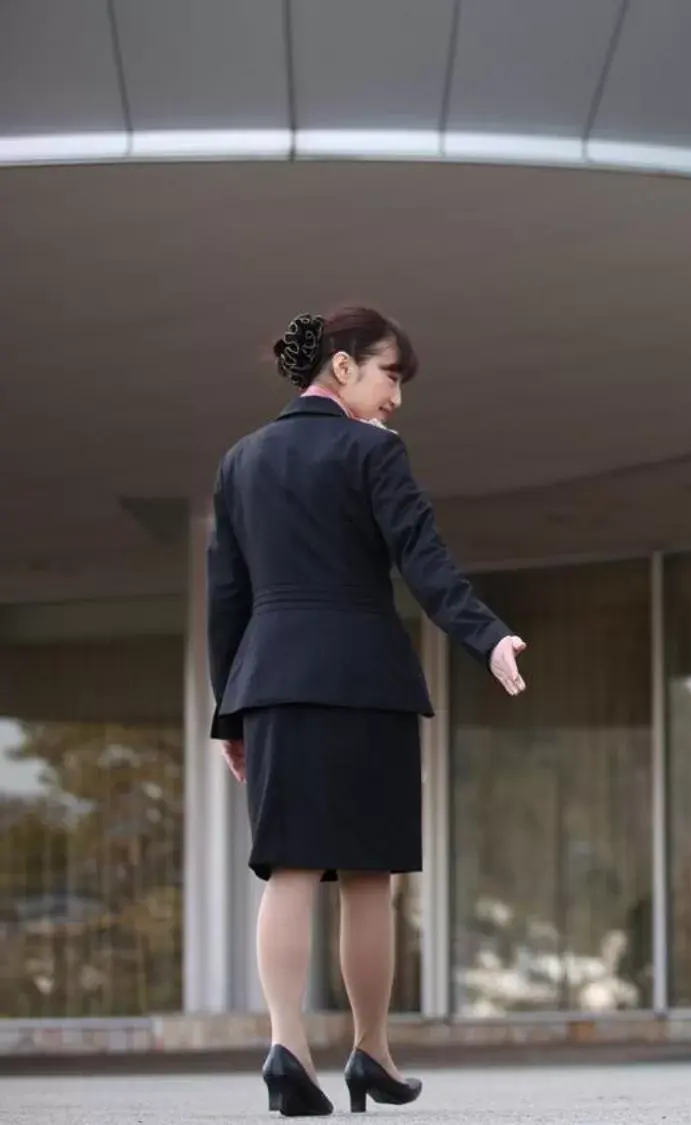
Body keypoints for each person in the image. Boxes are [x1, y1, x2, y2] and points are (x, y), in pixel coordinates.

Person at [208, 307, 528, 1117]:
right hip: (362, 681)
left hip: (271, 682)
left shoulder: (240, 460)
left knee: (285, 868)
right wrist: (485, 637)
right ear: (343, 367)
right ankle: (371, 1049)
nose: (396, 399)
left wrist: (230, 711)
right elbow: (426, 562)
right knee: (364, 877)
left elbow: (227, 599)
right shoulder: (371, 452)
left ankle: (286, 1048)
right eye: (391, 375)